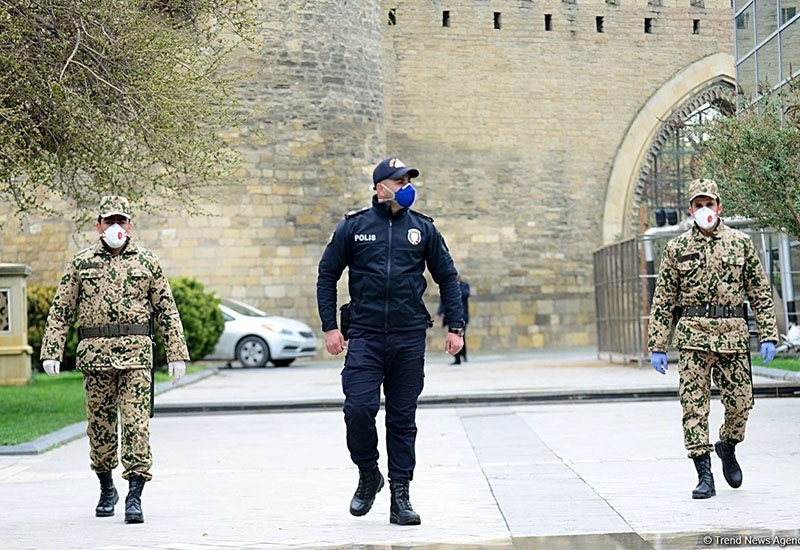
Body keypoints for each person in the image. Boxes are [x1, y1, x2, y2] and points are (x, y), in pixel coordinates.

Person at [316, 157, 464, 525]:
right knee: (358, 410)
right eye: (399, 180)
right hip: (364, 335)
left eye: (408, 179)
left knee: (402, 419)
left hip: (408, 336)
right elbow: (327, 275)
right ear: (380, 187)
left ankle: (401, 495)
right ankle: (369, 474)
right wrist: (329, 327)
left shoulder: (423, 229)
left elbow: (448, 277)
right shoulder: (354, 227)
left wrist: (456, 327)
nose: (406, 186)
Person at [40, 196, 190, 523]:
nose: (116, 227)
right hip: (95, 359)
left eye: (121, 221)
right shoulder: (81, 263)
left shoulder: (148, 262)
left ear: (130, 225)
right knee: (101, 428)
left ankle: (135, 495)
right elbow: (61, 309)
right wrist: (51, 349)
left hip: (136, 358)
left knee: (137, 426)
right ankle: (107, 487)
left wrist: (176, 353)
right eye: (110, 221)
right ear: (99, 226)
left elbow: (166, 309)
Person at [647, 179, 778, 499]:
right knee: (694, 408)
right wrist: (657, 344)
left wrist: (768, 335)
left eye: (709, 203)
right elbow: (663, 298)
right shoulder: (676, 249)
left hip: (732, 336)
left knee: (741, 405)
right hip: (693, 337)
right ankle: (704, 474)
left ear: (719, 207)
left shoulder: (740, 244)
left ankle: (728, 445)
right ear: (690, 210)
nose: (704, 209)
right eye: (698, 204)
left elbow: (759, 292)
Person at [436, 272, 470, 364]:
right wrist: (439, 313)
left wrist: (455, 288)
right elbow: (443, 302)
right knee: (454, 336)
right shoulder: (448, 288)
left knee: (461, 336)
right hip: (451, 317)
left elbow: (466, 294)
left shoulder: (464, 285)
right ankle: (457, 358)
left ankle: (464, 354)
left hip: (463, 316)